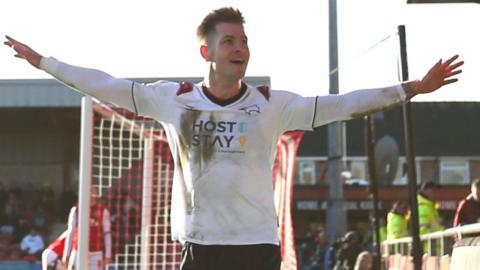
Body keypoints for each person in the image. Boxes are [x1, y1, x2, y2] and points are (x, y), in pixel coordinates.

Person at [4, 7, 463, 270]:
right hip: (200, 246)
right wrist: (46, 62)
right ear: (206, 51)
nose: (240, 47)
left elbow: (344, 103)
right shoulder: (173, 100)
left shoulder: (272, 104)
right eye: (229, 41)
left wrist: (412, 89)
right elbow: (104, 84)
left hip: (257, 247)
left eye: (244, 40)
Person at [63, 187, 111, 270]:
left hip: (96, 253)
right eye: (88, 191)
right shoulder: (76, 210)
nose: (90, 194)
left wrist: (108, 255)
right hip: (78, 251)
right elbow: (70, 232)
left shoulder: (103, 210)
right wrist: (66, 254)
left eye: (93, 191)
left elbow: (107, 234)